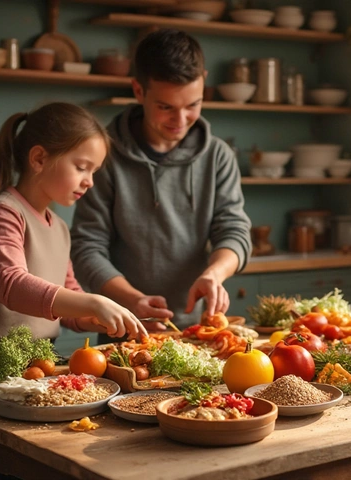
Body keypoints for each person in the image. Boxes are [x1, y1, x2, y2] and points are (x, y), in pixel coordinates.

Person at [70, 28, 252, 337]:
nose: (180, 120)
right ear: (139, 91)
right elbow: (87, 247)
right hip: (125, 328)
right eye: (166, 107)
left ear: (204, 81)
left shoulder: (218, 156)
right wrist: (132, 301)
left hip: (200, 330)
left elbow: (234, 230)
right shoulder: (105, 154)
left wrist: (214, 274)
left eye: (192, 105)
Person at [0, 102, 148, 373]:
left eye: (94, 172)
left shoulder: (60, 227)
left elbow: (68, 296)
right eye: (82, 167)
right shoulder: (3, 214)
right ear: (39, 159)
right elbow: (12, 286)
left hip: (40, 359)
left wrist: (95, 317)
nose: (90, 182)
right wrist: (96, 302)